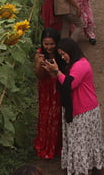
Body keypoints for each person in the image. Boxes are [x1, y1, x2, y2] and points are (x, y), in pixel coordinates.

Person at [42, 39, 104, 175]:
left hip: (84, 110)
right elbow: (62, 83)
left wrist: (57, 71)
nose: (63, 57)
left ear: (71, 51)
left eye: (64, 54)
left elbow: (69, 84)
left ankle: (83, 168)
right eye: (60, 55)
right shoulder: (71, 64)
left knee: (81, 141)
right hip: (76, 109)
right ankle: (85, 165)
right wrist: (54, 72)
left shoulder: (81, 65)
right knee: (79, 140)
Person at [32, 28, 62, 159]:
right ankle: (46, 145)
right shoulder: (39, 55)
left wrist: (54, 72)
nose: (49, 47)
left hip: (58, 87)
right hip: (45, 89)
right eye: (46, 44)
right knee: (46, 114)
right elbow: (38, 75)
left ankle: (58, 146)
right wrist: (39, 65)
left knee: (58, 115)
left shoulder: (61, 53)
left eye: (52, 44)